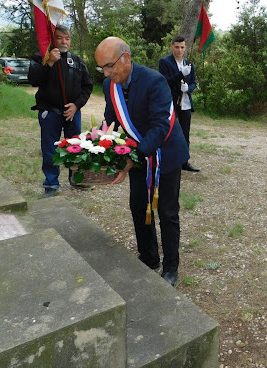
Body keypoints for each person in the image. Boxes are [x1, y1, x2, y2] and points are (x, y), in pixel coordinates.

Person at [95, 37, 189, 286]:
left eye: (109, 66)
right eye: (102, 68)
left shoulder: (154, 81)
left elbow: (160, 126)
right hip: (137, 154)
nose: (106, 73)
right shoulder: (109, 85)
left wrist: (133, 157)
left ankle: (171, 267)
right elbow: (111, 119)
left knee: (167, 211)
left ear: (126, 58)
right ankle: (149, 257)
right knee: (138, 206)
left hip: (165, 153)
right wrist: (100, 147)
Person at [28, 25, 92, 197]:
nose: (64, 41)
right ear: (52, 39)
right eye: (59, 38)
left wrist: (76, 105)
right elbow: (33, 80)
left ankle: (77, 178)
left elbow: (87, 86)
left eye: (67, 38)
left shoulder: (77, 61)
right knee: (50, 148)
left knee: (75, 146)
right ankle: (51, 183)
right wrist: (49, 63)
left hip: (72, 112)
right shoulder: (40, 57)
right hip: (50, 112)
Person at [158, 35, 199, 172]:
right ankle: (169, 161)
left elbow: (194, 82)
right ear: (172, 47)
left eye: (182, 47)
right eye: (177, 47)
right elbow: (165, 81)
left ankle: (184, 161)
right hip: (171, 102)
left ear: (185, 48)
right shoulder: (165, 62)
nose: (179, 50)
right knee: (170, 132)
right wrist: (181, 74)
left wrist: (188, 89)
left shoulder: (189, 64)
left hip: (185, 103)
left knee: (185, 133)